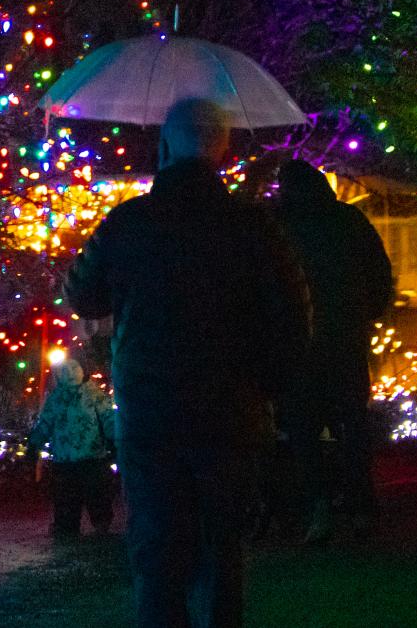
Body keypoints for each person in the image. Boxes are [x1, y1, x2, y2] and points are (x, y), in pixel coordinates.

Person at [64, 99, 309, 628]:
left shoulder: (129, 223)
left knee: (156, 549)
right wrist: (271, 388)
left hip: (151, 409)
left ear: (167, 145)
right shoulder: (253, 228)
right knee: (222, 548)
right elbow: (291, 316)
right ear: (221, 149)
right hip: (230, 408)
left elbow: (83, 293)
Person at [272, 158, 396, 542]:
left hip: (299, 348)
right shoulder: (349, 221)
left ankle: (319, 508)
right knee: (352, 426)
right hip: (345, 341)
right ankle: (360, 507)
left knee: (304, 433)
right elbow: (379, 274)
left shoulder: (280, 227)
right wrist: (365, 315)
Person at [28, 352, 117, 538]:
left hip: (92, 456)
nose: (69, 373)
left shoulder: (93, 394)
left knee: (97, 494)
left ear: (83, 369)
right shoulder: (56, 398)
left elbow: (108, 418)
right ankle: (66, 526)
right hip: (65, 459)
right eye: (64, 369)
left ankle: (101, 524)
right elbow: (45, 423)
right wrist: (34, 443)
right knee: (66, 497)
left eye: (74, 367)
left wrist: (114, 439)